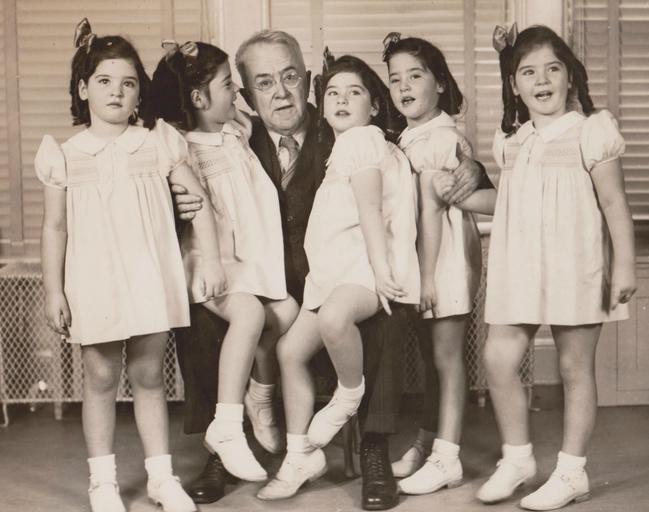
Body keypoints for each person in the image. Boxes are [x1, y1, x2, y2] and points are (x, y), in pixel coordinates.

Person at [172, 29, 489, 510]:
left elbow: (421, 147)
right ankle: (223, 444)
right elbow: (172, 157)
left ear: (307, 79)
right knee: (205, 310)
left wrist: (474, 171)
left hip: (338, 278)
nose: (281, 93)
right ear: (246, 95)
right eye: (264, 83)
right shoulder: (232, 138)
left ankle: (374, 444)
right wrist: (178, 201)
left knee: (380, 310)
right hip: (262, 283)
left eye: (290, 77)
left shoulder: (346, 128)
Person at [36, 18, 227, 512]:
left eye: (128, 83)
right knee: (100, 378)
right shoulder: (65, 155)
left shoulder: (158, 142)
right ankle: (102, 483)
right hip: (95, 282)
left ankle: (161, 478)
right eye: (104, 81)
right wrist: (54, 290)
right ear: (83, 88)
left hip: (148, 277)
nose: (116, 92)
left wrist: (210, 260)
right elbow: (55, 228)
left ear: (140, 92)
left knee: (148, 376)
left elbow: (199, 202)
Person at [477, 25, 636, 510]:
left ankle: (571, 473)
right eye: (528, 72)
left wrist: (625, 266)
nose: (541, 80)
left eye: (552, 68)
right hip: (520, 264)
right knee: (498, 358)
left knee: (573, 367)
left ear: (571, 76)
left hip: (575, 263)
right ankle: (518, 459)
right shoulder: (513, 141)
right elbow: (511, 200)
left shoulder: (591, 131)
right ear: (514, 85)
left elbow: (614, 203)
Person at [257, 51, 420, 502]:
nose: (342, 100)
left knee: (333, 320)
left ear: (375, 105)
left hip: (365, 270)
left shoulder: (363, 140)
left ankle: (349, 396)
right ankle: (300, 456)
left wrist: (383, 272)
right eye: (333, 93)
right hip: (333, 275)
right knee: (290, 351)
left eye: (355, 92)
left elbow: (370, 209)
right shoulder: (343, 148)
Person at [145, 41, 299, 482]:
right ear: (198, 98)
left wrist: (234, 117)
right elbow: (191, 209)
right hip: (208, 262)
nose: (237, 92)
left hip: (243, 263)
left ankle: (259, 393)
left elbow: (241, 128)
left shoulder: (234, 132)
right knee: (249, 314)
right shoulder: (182, 148)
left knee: (288, 311)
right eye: (228, 85)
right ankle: (227, 425)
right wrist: (211, 263)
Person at [382, 34, 496, 496]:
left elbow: (433, 210)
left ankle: (447, 457)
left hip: (442, 261)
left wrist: (427, 276)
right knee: (432, 359)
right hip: (424, 260)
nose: (404, 86)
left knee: (447, 359)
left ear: (441, 84)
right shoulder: (411, 137)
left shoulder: (441, 138)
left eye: (416, 75)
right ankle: (428, 442)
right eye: (395, 79)